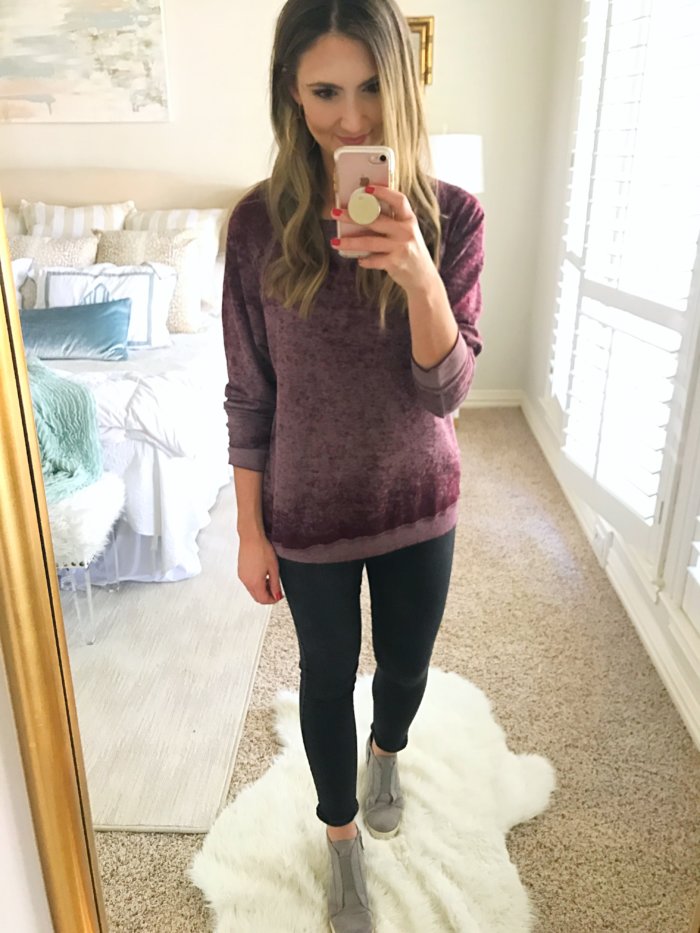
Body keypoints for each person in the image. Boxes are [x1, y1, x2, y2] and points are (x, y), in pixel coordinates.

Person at [222, 0, 485, 929]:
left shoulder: (453, 215)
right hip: (307, 510)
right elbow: (249, 394)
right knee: (326, 677)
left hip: (419, 496)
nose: (352, 117)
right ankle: (340, 839)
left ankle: (389, 752)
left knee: (404, 671)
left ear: (404, 85)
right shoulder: (256, 227)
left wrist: (417, 272)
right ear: (291, 95)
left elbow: (446, 392)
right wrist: (250, 530)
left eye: (371, 87)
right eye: (325, 91)